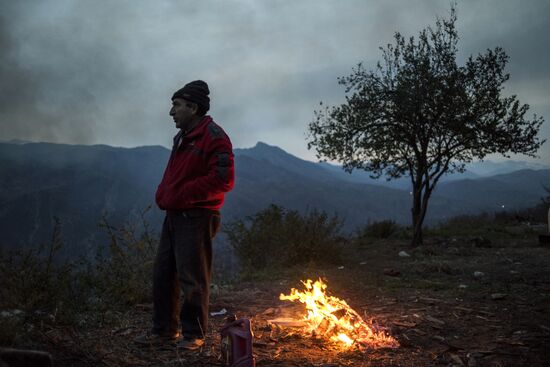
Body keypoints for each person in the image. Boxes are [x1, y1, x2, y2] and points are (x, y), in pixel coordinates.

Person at [135, 80, 235, 350]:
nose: (171, 112)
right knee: (164, 273)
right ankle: (164, 331)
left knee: (193, 278)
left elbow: (224, 179)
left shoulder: (214, 136)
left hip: (197, 216)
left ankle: (194, 335)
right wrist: (165, 193)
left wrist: (182, 194)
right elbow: (177, 174)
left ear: (193, 107)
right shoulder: (183, 136)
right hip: (176, 214)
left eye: (176, 105)